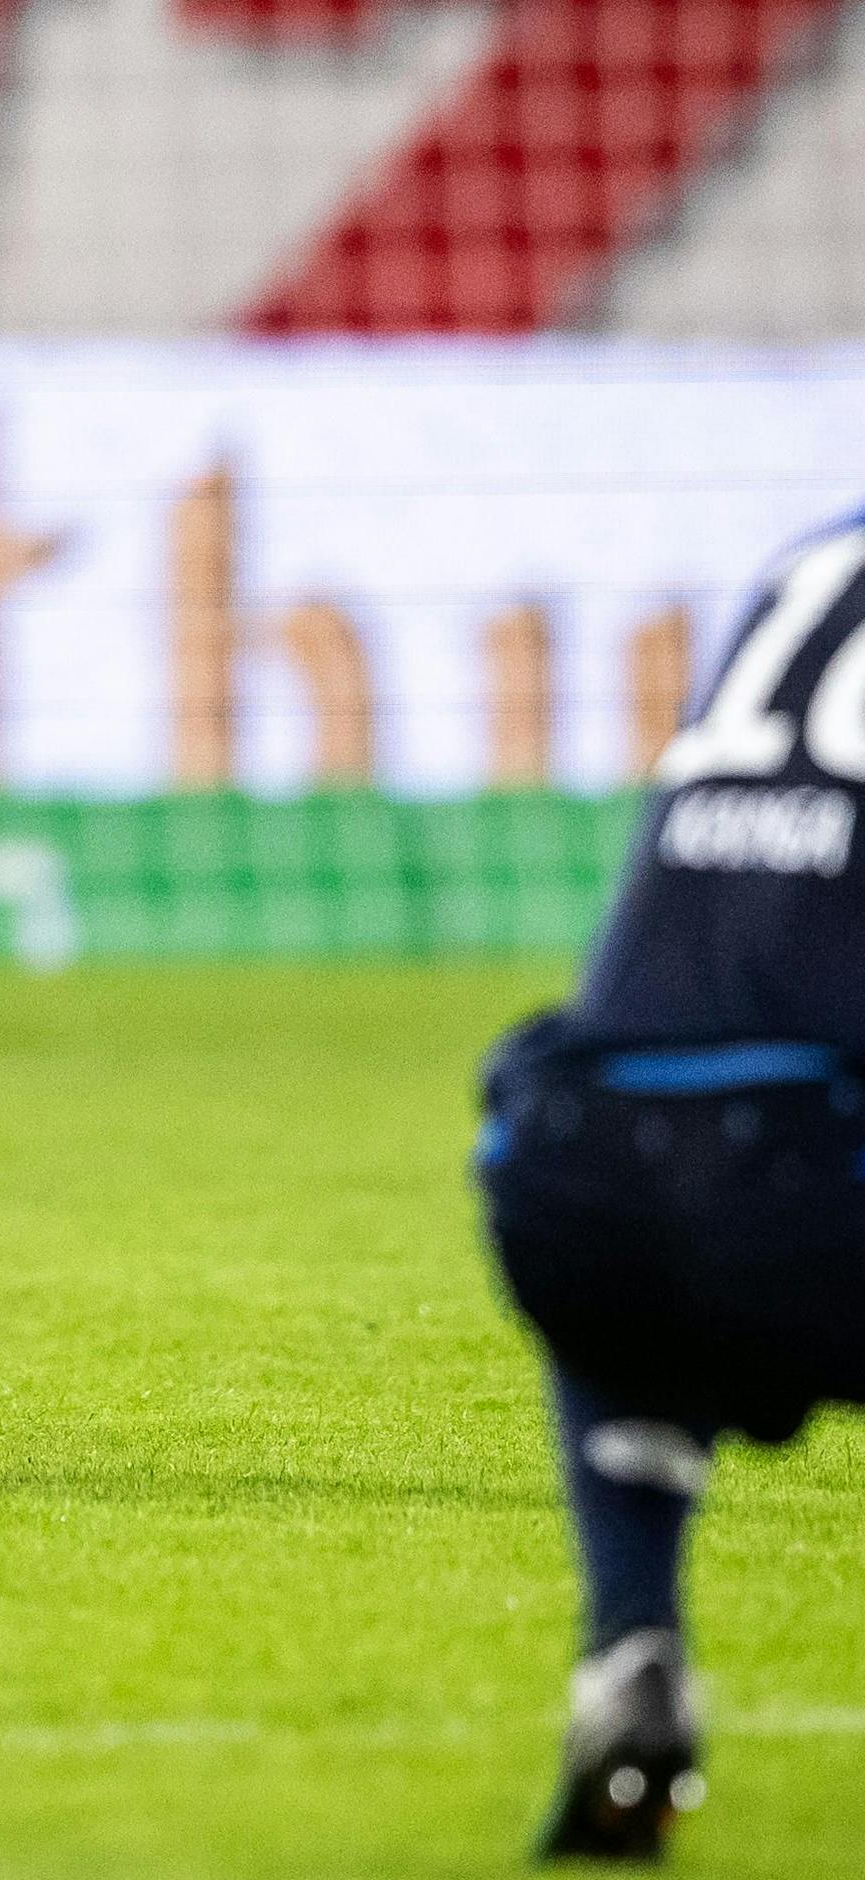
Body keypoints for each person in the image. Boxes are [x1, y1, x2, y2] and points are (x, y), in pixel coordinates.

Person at [476, 510, 865, 1859]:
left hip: (569, 1167)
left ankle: (630, 1641)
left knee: (642, 1260)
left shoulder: (817, 560)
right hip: (804, 1179)